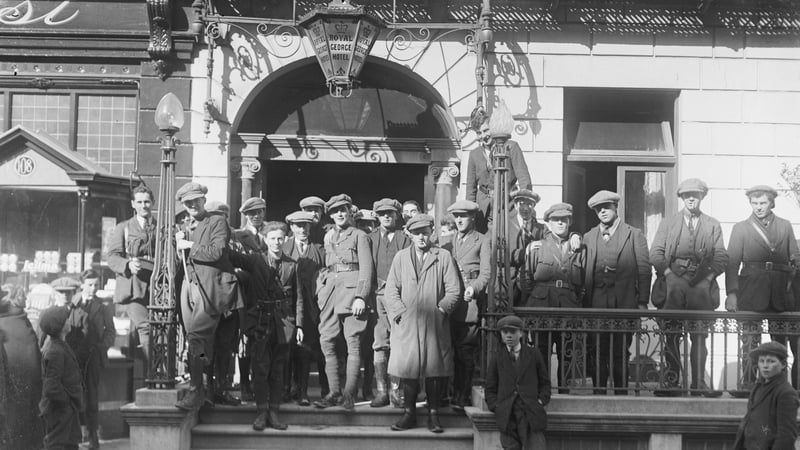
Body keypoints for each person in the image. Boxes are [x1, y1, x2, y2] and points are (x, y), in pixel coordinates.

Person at [650, 179, 728, 396]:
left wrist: (709, 278)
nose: (691, 198)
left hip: (701, 286)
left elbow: (722, 256)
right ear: (681, 198)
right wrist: (668, 274)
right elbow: (655, 253)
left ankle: (699, 383)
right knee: (672, 334)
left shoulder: (712, 224)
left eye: (695, 195)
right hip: (673, 284)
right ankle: (672, 382)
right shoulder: (669, 223)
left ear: (702, 197)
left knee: (700, 335)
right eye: (687, 196)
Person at [384, 214, 461, 433]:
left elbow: (454, 290)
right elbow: (391, 290)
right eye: (416, 233)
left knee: (433, 368)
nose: (421, 237)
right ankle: (409, 413)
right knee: (408, 368)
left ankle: (433, 415)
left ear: (431, 234)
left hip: (433, 323)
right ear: (409, 234)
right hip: (407, 323)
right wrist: (400, 313)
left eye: (425, 233)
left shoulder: (443, 256)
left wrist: (441, 310)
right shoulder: (400, 257)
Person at [725, 185, 800, 393]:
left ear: (771, 203)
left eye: (763, 203)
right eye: (754, 203)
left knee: (780, 343)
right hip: (751, 291)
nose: (758, 207)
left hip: (779, 293)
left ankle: (779, 386)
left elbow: (794, 256)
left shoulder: (785, 226)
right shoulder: (741, 228)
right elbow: (732, 263)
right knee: (749, 341)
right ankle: (748, 384)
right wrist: (731, 293)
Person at [174, 182, 238, 411]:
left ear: (203, 199)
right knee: (198, 341)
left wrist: (189, 244)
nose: (192, 205)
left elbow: (217, 251)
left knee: (197, 337)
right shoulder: (185, 224)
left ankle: (196, 391)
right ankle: (207, 390)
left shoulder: (217, 221)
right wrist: (177, 244)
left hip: (212, 288)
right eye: (187, 203)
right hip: (190, 286)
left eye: (195, 201)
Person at [582, 190, 651, 395]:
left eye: (606, 207)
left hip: (624, 303)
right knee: (597, 350)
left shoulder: (633, 234)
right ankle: (599, 393)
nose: (602, 211)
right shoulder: (589, 236)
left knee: (621, 350)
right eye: (598, 209)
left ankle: (622, 394)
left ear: (615, 207)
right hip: (596, 304)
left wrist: (642, 302)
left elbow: (644, 270)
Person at [314, 194, 374, 411]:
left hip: (352, 293)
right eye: (335, 211)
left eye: (343, 210)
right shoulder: (329, 237)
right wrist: (321, 290)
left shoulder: (360, 236)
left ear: (350, 212)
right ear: (331, 214)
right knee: (326, 340)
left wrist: (361, 296)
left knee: (354, 342)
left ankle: (349, 394)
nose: (339, 214)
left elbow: (367, 269)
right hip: (330, 293)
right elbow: (327, 267)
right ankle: (334, 392)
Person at [244, 221, 303, 431]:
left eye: (280, 238)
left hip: (284, 322)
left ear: (286, 239)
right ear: (265, 240)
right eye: (272, 239)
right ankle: (261, 412)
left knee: (278, 368)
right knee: (260, 367)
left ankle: (274, 412)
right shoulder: (256, 261)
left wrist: (299, 325)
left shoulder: (292, 264)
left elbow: (299, 298)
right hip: (261, 320)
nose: (277, 243)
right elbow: (231, 258)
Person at [522, 203, 585, 392]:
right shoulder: (536, 247)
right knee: (542, 349)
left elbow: (584, 282)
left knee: (567, 349)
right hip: (542, 305)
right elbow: (526, 279)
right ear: (548, 223)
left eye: (564, 220)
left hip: (568, 306)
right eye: (556, 220)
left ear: (570, 222)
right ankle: (543, 389)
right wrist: (536, 297)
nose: (560, 223)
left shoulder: (579, 248)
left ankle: (564, 389)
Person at [441, 200, 490, 411]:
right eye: (457, 216)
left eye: (464, 216)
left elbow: (487, 273)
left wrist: (475, 288)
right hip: (449, 299)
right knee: (447, 348)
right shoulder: (447, 242)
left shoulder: (482, 240)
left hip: (469, 301)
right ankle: (447, 392)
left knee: (465, 351)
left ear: (472, 218)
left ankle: (463, 394)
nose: (459, 220)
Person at [59, 271, 115, 450]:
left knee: (92, 399)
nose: (93, 288)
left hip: (93, 358)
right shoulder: (72, 304)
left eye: (96, 285)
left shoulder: (103, 306)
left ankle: (92, 438)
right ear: (82, 285)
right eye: (90, 284)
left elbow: (110, 331)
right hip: (74, 358)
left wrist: (102, 347)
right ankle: (74, 437)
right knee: (73, 396)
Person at [366, 198, 411, 408]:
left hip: (400, 298)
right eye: (382, 213)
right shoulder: (369, 238)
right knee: (379, 343)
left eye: (390, 213)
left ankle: (397, 391)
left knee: (400, 343)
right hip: (376, 298)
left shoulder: (406, 238)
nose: (386, 216)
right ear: (377, 216)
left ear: (397, 215)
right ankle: (382, 391)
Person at [485, 315, 551, 450]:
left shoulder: (534, 354)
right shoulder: (497, 358)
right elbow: (490, 388)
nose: (509, 336)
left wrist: (540, 401)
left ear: (521, 333)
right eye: (505, 332)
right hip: (508, 416)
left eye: (513, 332)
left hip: (531, 414)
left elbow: (545, 383)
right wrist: (496, 406)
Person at [106, 184, 155, 363]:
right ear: (133, 204)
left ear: (153, 203)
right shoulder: (124, 228)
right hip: (133, 288)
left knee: (161, 329)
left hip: (156, 287)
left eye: (147, 202)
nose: (144, 206)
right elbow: (112, 257)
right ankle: (154, 373)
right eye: (140, 202)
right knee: (146, 328)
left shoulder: (160, 228)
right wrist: (127, 265)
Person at [283, 211, 328, 406]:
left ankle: (302, 392)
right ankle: (286, 389)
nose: (302, 229)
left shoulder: (319, 250)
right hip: (286, 307)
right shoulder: (282, 247)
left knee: (306, 348)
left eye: (306, 225)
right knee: (286, 348)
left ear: (311, 227)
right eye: (298, 225)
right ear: (291, 227)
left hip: (312, 307)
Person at [465, 109, 532, 232]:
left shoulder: (511, 147)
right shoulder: (474, 155)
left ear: (493, 128)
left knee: (512, 241)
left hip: (508, 203)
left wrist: (524, 206)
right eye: (479, 133)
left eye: (486, 130)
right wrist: (470, 214)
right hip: (483, 207)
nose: (483, 136)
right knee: (485, 244)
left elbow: (524, 179)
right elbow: (471, 189)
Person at [204, 201, 243, 406]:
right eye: (217, 216)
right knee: (208, 348)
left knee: (226, 347)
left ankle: (221, 388)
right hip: (209, 302)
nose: (222, 220)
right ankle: (208, 390)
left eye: (225, 216)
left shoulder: (235, 240)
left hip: (230, 302)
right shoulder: (203, 241)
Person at [232, 196, 268, 402]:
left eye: (260, 212)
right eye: (252, 213)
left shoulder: (271, 233)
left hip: (266, 294)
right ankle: (245, 384)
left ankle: (260, 384)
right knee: (245, 341)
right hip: (246, 295)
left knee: (265, 340)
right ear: (245, 216)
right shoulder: (238, 236)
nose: (256, 216)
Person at [733, 341, 799, 450]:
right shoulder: (758, 387)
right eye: (761, 361)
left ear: (783, 365)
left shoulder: (786, 393)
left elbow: (786, 435)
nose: (765, 366)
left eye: (771, 361)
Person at [39, 306, 83, 450]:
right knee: (56, 445)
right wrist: (68, 404)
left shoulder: (59, 346)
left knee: (70, 445)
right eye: (66, 320)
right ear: (60, 326)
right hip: (60, 410)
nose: (69, 321)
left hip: (64, 410)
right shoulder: (55, 350)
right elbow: (51, 387)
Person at [508, 189, 546, 307]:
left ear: (534, 206)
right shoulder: (504, 225)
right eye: (521, 203)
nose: (525, 208)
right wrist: (526, 252)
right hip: (509, 282)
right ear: (515, 205)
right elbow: (498, 254)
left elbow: (555, 240)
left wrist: (574, 235)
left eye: (529, 204)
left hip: (531, 283)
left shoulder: (542, 228)